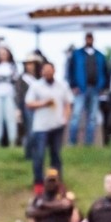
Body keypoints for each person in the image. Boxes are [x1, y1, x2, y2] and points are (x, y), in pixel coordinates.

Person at [25, 62, 74, 193]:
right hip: (41, 126)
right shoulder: (36, 86)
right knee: (39, 156)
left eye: (49, 70)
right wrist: (43, 103)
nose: (47, 73)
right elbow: (28, 103)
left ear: (54, 71)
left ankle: (57, 182)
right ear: (42, 72)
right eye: (45, 71)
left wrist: (65, 118)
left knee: (56, 156)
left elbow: (68, 103)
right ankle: (39, 182)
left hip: (57, 125)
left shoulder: (62, 86)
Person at [67, 32, 109, 146]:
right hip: (80, 89)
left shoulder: (100, 55)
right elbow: (70, 71)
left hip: (95, 89)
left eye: (91, 38)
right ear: (85, 39)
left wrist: (103, 86)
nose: (89, 40)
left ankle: (89, 143)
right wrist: (73, 86)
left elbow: (105, 72)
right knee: (76, 115)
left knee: (92, 117)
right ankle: (72, 142)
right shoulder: (77, 54)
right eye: (87, 38)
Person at [0, 46, 18, 147]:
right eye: (0, 53)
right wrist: (3, 77)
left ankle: (12, 141)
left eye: (4, 53)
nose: (2, 55)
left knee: (10, 118)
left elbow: (14, 77)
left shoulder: (12, 66)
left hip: (9, 94)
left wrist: (1, 77)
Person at [17, 53, 42, 160]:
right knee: (30, 131)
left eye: (32, 63)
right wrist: (18, 109)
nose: (29, 66)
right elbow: (19, 95)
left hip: (40, 107)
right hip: (28, 107)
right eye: (28, 64)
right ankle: (29, 154)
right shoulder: (22, 79)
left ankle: (38, 153)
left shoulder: (40, 79)